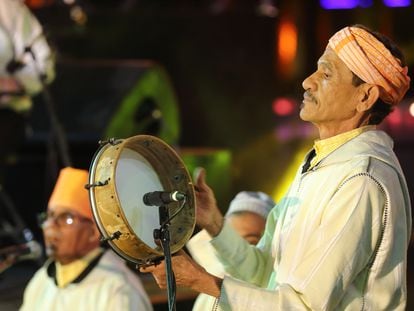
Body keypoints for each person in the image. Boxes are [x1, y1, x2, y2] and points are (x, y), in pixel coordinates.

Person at [142, 24, 412, 310]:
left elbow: (305, 306)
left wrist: (200, 281)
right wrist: (214, 223)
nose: (308, 81)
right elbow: (265, 274)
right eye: (316, 69)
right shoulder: (324, 164)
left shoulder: (360, 181)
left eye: (327, 73)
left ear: (365, 97)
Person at [20, 167, 153, 311]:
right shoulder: (41, 281)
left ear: (93, 232)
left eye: (66, 218)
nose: (51, 227)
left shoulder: (117, 288)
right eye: (49, 217)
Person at [187, 191, 275, 311]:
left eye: (252, 243)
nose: (238, 251)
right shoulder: (206, 299)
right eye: (232, 240)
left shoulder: (273, 295)